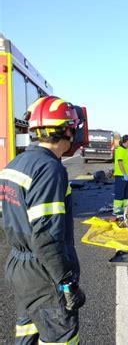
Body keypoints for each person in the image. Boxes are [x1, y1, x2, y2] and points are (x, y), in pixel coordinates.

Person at [0, 96, 86, 344]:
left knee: (27, 333)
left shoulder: (16, 164)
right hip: (45, 275)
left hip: (19, 266)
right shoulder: (49, 169)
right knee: (62, 338)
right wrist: (67, 282)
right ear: (67, 130)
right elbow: (47, 236)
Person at [113, 135, 128, 214]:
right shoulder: (120, 150)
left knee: (126, 192)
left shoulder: (126, 149)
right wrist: (124, 174)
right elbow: (120, 162)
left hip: (126, 175)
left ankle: (125, 208)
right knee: (120, 192)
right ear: (127, 141)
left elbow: (126, 163)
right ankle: (117, 209)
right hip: (120, 175)